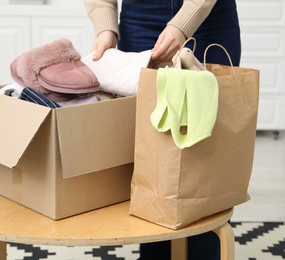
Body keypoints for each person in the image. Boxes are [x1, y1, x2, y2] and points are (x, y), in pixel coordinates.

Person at [83, 0, 241, 259]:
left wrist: (183, 23)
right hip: (140, 20)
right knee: (152, 163)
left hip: (209, 18)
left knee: (206, 163)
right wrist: (105, 25)